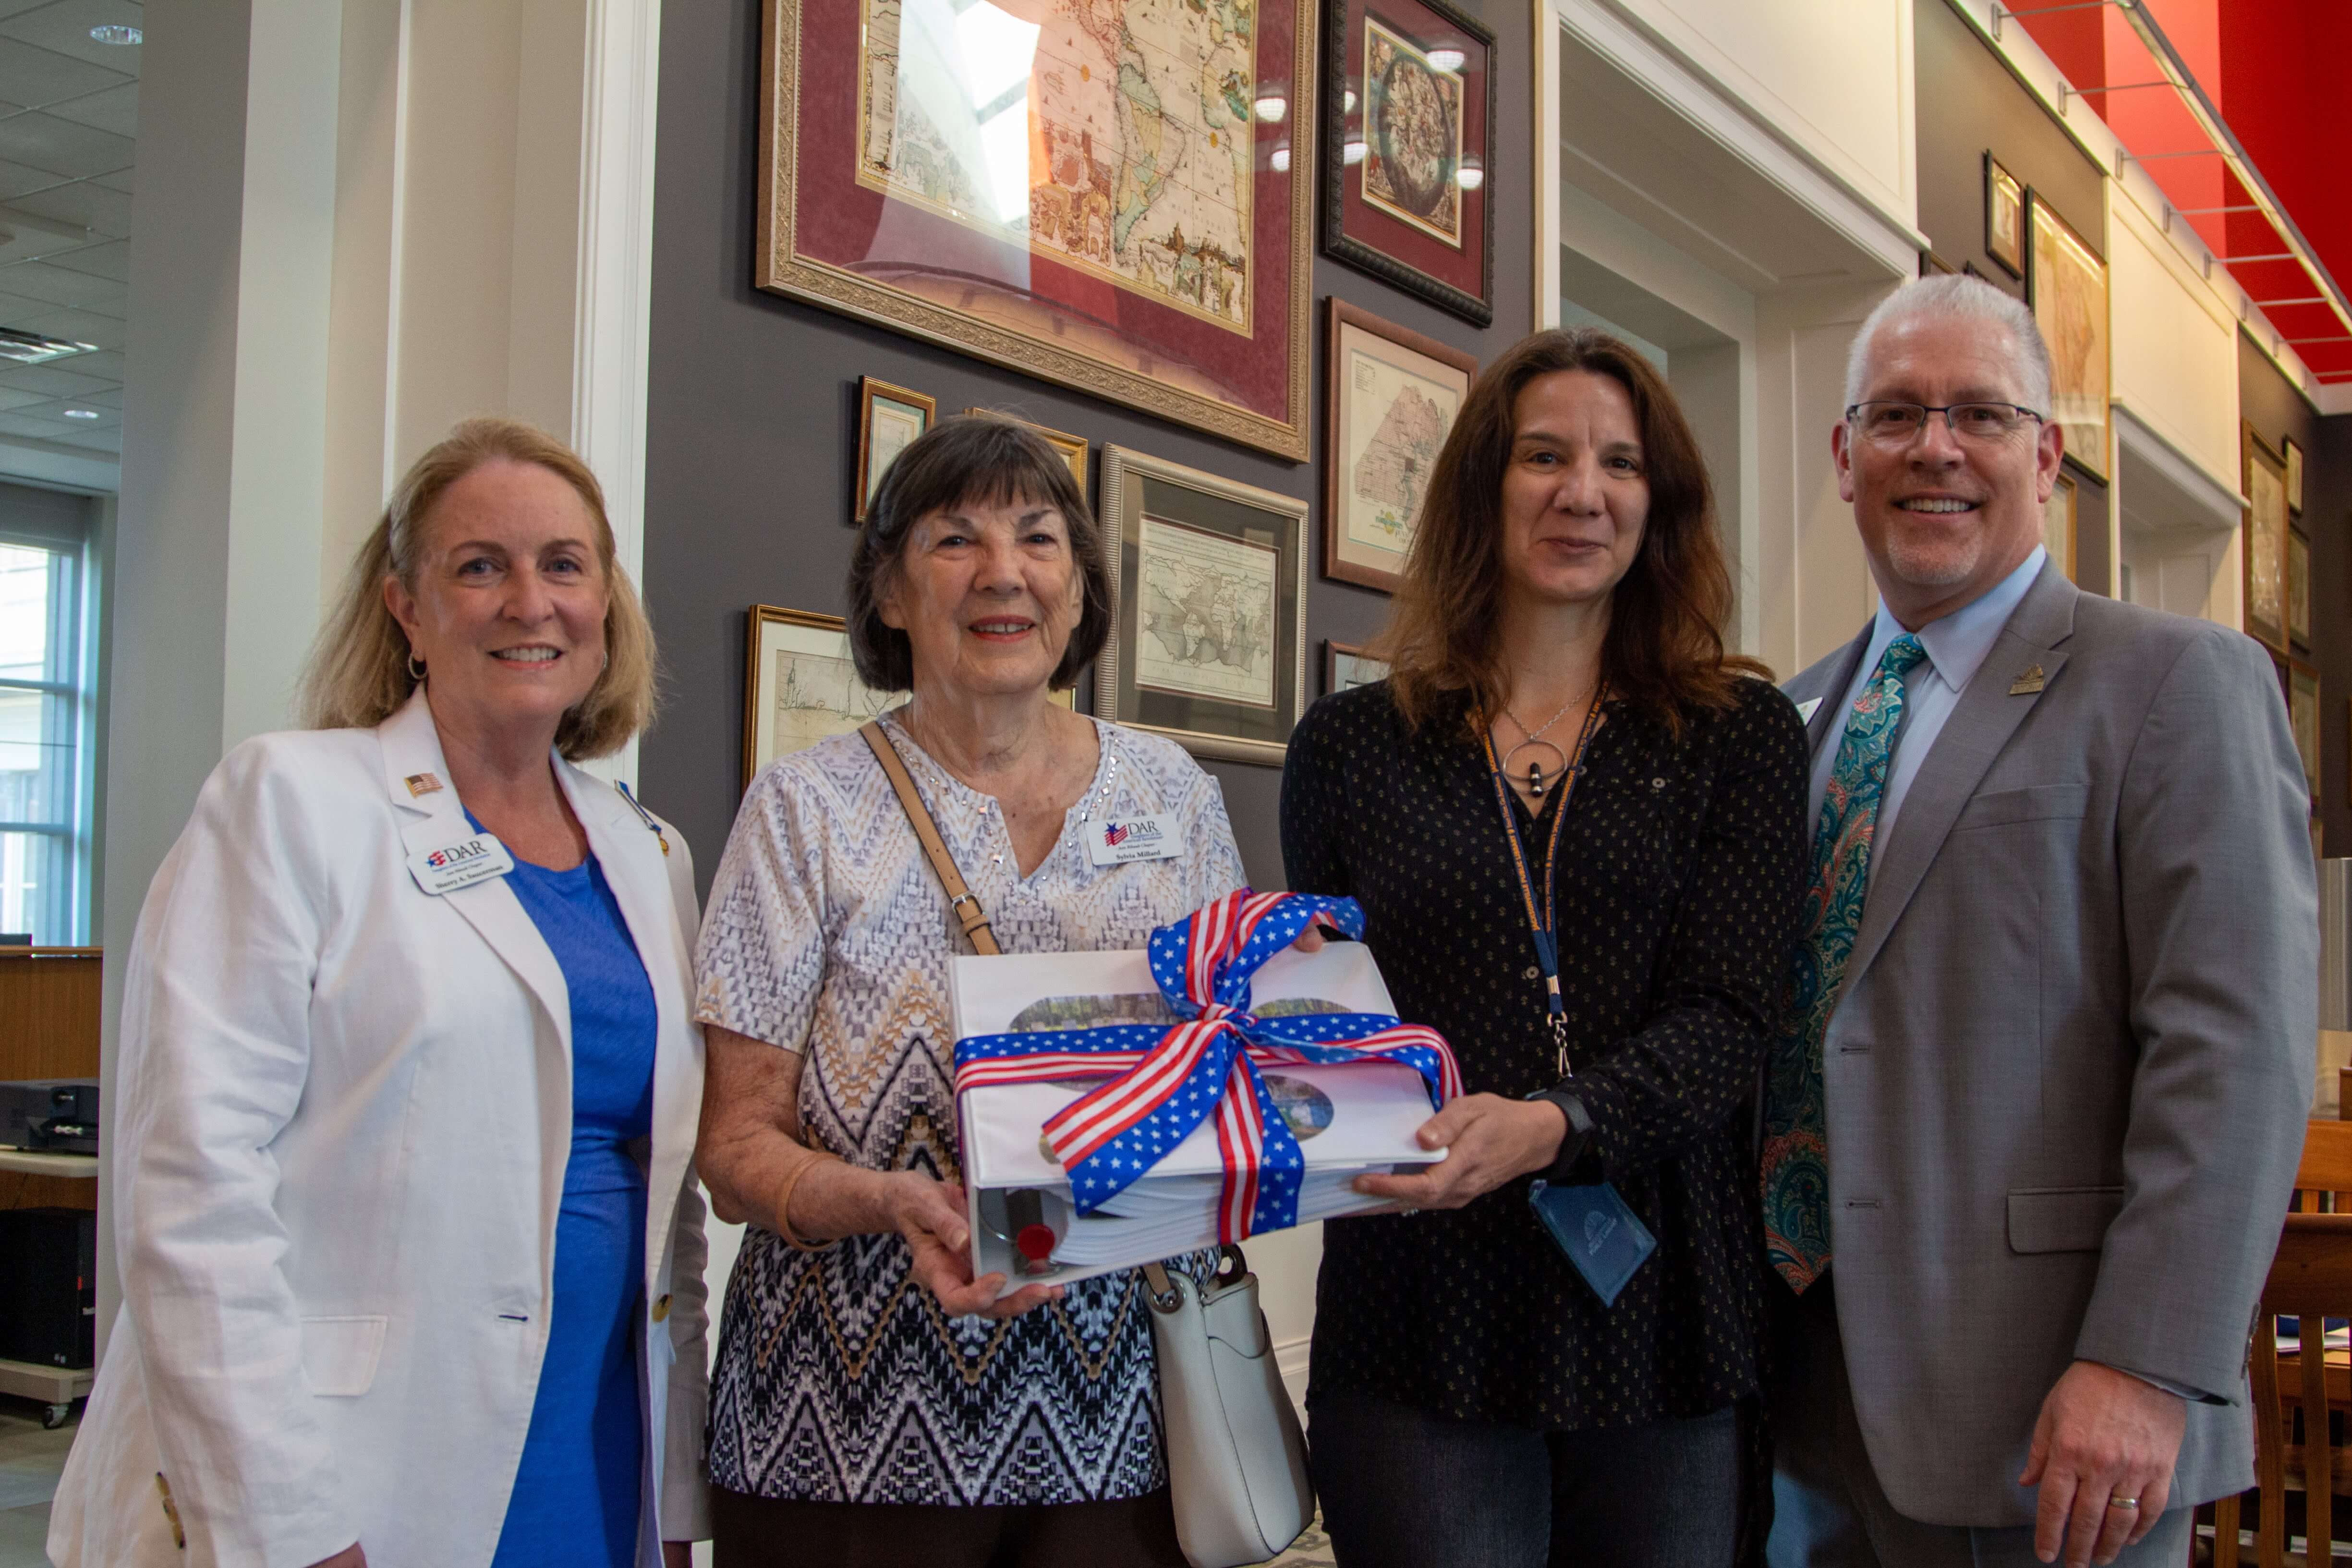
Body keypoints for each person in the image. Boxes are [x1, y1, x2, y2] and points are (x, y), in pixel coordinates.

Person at [47, 418, 711, 1568]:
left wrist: (681, 1475)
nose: (527, 600)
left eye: (563, 564)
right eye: (478, 565)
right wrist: (286, 1525)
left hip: (596, 1451)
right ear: (405, 605)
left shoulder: (651, 854)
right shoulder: (290, 801)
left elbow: (669, 1206)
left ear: (606, 603)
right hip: (346, 1467)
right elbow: (189, 1189)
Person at [1763, 274, 2314, 1568]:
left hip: (2053, 1415)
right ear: (1844, 458)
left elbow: (2233, 1054)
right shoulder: (1786, 718)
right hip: (1793, 1396)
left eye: (1980, 413)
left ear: (2046, 456)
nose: (1935, 447)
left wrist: (2147, 1361)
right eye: (1895, 415)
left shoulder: (2177, 685)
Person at [1280, 328, 1810, 1568]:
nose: (1584, 491)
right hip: (1419, 1306)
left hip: (1664, 1301)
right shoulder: (1352, 746)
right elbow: (1337, 1015)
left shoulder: (1738, 736)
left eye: (1621, 464)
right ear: (1482, 486)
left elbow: (1733, 1019)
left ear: (1657, 506)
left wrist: (1554, 1122)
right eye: (1544, 456)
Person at [691, 416, 1248, 1567]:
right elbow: (735, 1147)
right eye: (955, 540)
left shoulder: (1175, 794)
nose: (1004, 572)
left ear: (1079, 587)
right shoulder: (805, 808)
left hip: (1118, 1425)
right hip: (840, 1429)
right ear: (889, 594)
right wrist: (897, 1202)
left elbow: (1224, 1075)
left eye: (1038, 538)